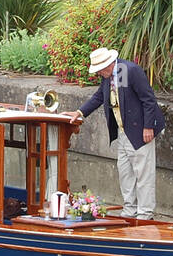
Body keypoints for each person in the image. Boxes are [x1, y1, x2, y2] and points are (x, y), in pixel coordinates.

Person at [63, 47, 165, 220]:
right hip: (123, 130)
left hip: (140, 130)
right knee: (125, 172)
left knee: (143, 174)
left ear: (110, 63)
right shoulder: (109, 75)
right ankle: (130, 211)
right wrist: (79, 112)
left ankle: (145, 215)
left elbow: (148, 100)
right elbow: (99, 97)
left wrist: (148, 127)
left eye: (102, 68)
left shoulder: (129, 70)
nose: (100, 73)